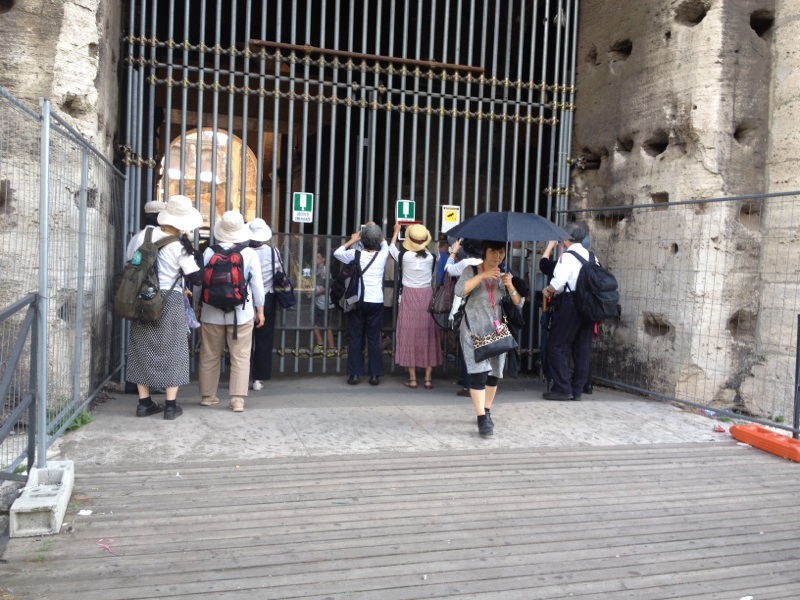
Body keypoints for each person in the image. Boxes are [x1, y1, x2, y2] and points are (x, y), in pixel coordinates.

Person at [125, 194, 204, 420]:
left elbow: (131, 263)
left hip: (142, 299)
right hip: (170, 301)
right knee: (173, 350)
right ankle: (170, 406)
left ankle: (144, 404)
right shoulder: (178, 246)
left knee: (141, 349)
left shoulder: (142, 237)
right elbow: (196, 277)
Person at [455, 240, 524, 436]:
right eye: (493, 251)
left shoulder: (504, 275)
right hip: (473, 329)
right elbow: (459, 291)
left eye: (501, 252)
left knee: (494, 373)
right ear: (485, 252)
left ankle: (486, 410)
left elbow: (518, 303)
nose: (497, 256)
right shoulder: (471, 270)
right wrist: (482, 276)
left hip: (497, 331)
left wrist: (510, 286)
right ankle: (481, 419)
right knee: (479, 374)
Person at [198, 211, 265, 412]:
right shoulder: (249, 253)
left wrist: (198, 306)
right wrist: (260, 310)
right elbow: (257, 285)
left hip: (211, 313)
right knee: (241, 356)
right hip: (241, 314)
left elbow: (199, 285)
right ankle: (237, 400)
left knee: (209, 354)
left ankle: (208, 396)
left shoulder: (208, 252)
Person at [541, 221, 597, 401]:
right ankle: (577, 389)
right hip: (589, 306)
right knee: (582, 348)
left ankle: (563, 388)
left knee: (557, 345)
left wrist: (547, 291)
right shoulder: (592, 257)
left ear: (565, 238)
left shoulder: (567, 257)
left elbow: (558, 283)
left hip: (570, 303)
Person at [333, 222, 389, 385]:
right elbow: (384, 242)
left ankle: (355, 374)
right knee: (374, 338)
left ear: (362, 240)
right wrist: (375, 231)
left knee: (355, 337)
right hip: (376, 301)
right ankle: (374, 375)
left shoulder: (355, 254)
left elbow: (337, 253)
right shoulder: (382, 255)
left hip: (357, 300)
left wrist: (353, 239)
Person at [390, 222, 442, 389]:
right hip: (426, 295)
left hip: (409, 296)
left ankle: (412, 379)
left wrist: (396, 232)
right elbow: (427, 251)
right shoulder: (433, 257)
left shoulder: (404, 256)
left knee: (409, 335)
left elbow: (391, 247)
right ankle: (428, 379)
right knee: (428, 335)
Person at [445, 238, 484, 397]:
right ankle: (480, 382)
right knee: (481, 346)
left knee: (467, 347)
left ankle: (469, 385)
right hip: (483, 309)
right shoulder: (487, 263)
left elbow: (448, 270)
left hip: (466, 310)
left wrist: (453, 252)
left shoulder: (465, 263)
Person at [247, 218, 280, 390]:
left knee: (243, 339)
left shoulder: (243, 251)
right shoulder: (273, 252)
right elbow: (279, 272)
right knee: (264, 339)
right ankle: (258, 379)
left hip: (245, 298)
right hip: (268, 297)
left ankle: (240, 375)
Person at [312, 251, 337, 357]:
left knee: (326, 326)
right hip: (319, 302)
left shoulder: (326, 271)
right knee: (316, 324)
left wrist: (316, 293)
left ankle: (331, 348)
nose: (316, 259)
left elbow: (328, 287)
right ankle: (320, 344)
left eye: (318, 257)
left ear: (323, 259)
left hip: (325, 303)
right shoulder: (317, 270)